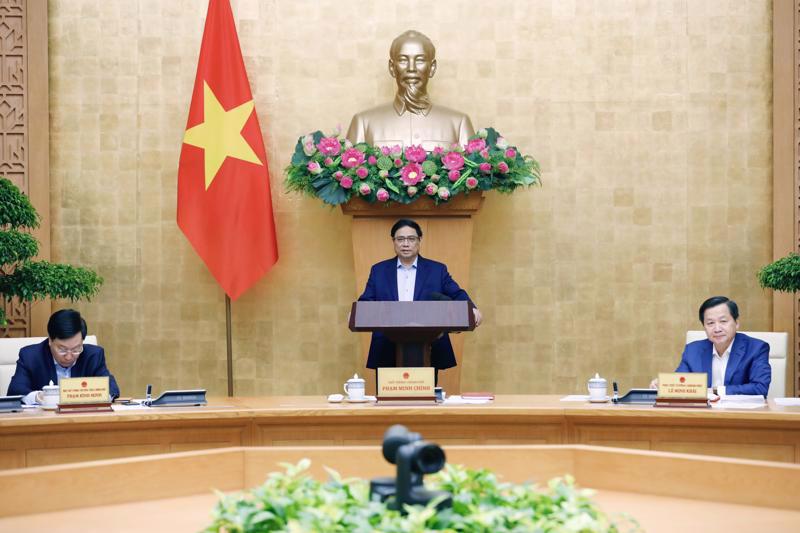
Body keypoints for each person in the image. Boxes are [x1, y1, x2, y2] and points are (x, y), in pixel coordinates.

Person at [358, 219, 482, 373]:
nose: (405, 244)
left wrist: (471, 308)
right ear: (393, 241)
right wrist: (356, 313)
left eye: (411, 239)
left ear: (419, 240)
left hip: (427, 346)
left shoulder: (437, 270)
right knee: (387, 396)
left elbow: (457, 293)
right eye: (400, 239)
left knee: (426, 396)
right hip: (387, 345)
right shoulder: (379, 270)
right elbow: (366, 301)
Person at [346, 30, 474, 150]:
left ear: (432, 68)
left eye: (420, 60)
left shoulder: (459, 124)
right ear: (392, 67)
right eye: (403, 60)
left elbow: (474, 172)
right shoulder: (363, 123)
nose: (411, 68)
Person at [649, 296, 771, 397]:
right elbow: (681, 382)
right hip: (702, 416)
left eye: (723, 321)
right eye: (710, 323)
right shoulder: (693, 350)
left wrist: (715, 391)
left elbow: (760, 388)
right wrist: (664, 385)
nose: (717, 329)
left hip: (740, 418)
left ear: (736, 323)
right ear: (704, 327)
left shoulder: (756, 348)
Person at [7, 309, 120, 404]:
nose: (69, 356)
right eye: (62, 349)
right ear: (50, 340)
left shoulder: (93, 355)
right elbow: (15, 391)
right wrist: (39, 397)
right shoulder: (30, 356)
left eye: (76, 349)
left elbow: (111, 388)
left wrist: (95, 396)